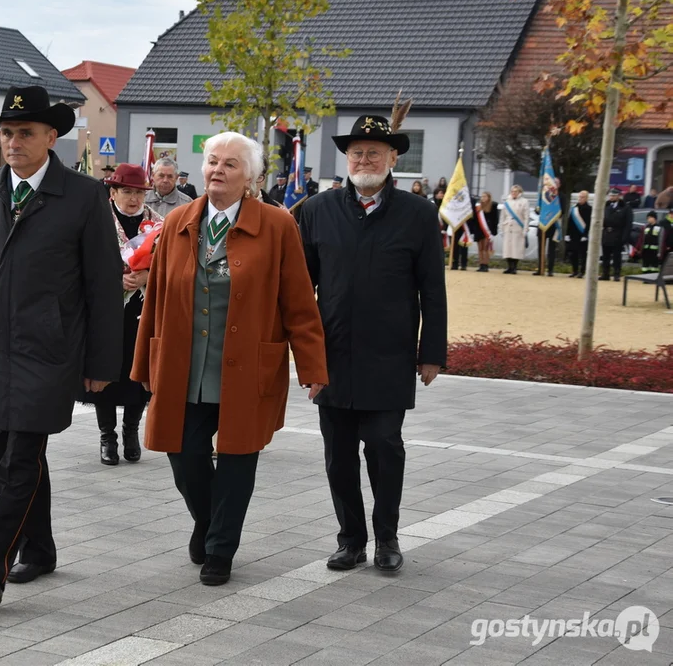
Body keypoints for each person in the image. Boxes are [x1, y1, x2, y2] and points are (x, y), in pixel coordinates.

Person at [0, 85, 123, 606]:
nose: (12, 141)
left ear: (51, 137)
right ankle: (39, 549)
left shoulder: (85, 197)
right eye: (6, 132)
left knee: (19, 458)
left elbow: (103, 288)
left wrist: (103, 361)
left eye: (24, 133)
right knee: (15, 454)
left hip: (51, 351)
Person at [131, 131, 328, 586]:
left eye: (230, 164)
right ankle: (208, 521)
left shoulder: (278, 226)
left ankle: (220, 548)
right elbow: (155, 299)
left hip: (246, 365)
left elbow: (299, 302)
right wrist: (143, 363)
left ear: (251, 177)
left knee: (238, 457)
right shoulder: (179, 221)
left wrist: (313, 365)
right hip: (186, 365)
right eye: (212, 161)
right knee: (183, 453)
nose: (218, 170)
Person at [299, 114, 447, 574]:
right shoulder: (316, 211)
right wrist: (303, 356)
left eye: (375, 153)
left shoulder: (419, 214)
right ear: (347, 157)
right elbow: (301, 292)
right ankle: (351, 540)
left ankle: (386, 537)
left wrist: (432, 353)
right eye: (358, 152)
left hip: (390, 355)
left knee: (385, 447)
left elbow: (433, 289)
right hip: (332, 357)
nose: (365, 159)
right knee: (338, 456)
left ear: (393, 158)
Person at [81, 163, 160, 466]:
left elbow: (173, 267)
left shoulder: (159, 225)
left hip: (142, 310)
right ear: (112, 192)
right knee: (106, 371)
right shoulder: (97, 220)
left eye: (139, 193)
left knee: (138, 370)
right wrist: (115, 279)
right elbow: (84, 262)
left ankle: (130, 430)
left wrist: (146, 276)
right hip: (106, 310)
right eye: (126, 191)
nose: (133, 198)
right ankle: (107, 435)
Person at [600, 188, 633, 281]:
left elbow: (628, 223)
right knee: (605, 256)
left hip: (618, 234)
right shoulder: (606, 205)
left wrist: (625, 237)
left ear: (619, 196)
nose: (611, 197)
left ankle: (616, 274)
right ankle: (605, 273)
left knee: (616, 256)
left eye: (614, 195)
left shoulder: (625, 207)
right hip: (607, 233)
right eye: (610, 195)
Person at [500, 185, 529, 274]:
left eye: (516, 191)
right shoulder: (507, 202)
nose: (514, 193)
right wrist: (501, 227)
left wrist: (525, 229)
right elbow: (502, 216)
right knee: (507, 248)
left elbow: (526, 217)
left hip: (518, 227)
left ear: (519, 192)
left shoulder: (524, 201)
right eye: (512, 191)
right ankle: (509, 267)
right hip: (508, 226)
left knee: (516, 248)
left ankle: (514, 267)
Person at [566, 190, 592, 278]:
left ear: (586, 198)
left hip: (583, 235)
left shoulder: (589, 209)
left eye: (583, 197)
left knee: (583, 254)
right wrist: (567, 234)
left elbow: (589, 223)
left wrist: (585, 235)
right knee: (573, 254)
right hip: (574, 235)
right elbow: (570, 222)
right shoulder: (574, 208)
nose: (580, 198)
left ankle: (582, 271)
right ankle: (575, 270)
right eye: (580, 197)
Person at [474, 191, 499, 272]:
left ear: (489, 197)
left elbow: (495, 220)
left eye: (485, 196)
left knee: (485, 248)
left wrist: (493, 232)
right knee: (480, 248)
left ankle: (485, 264)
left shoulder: (493, 206)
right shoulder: (478, 207)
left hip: (487, 230)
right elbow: (475, 219)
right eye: (482, 196)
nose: (483, 198)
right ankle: (481, 264)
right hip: (479, 230)